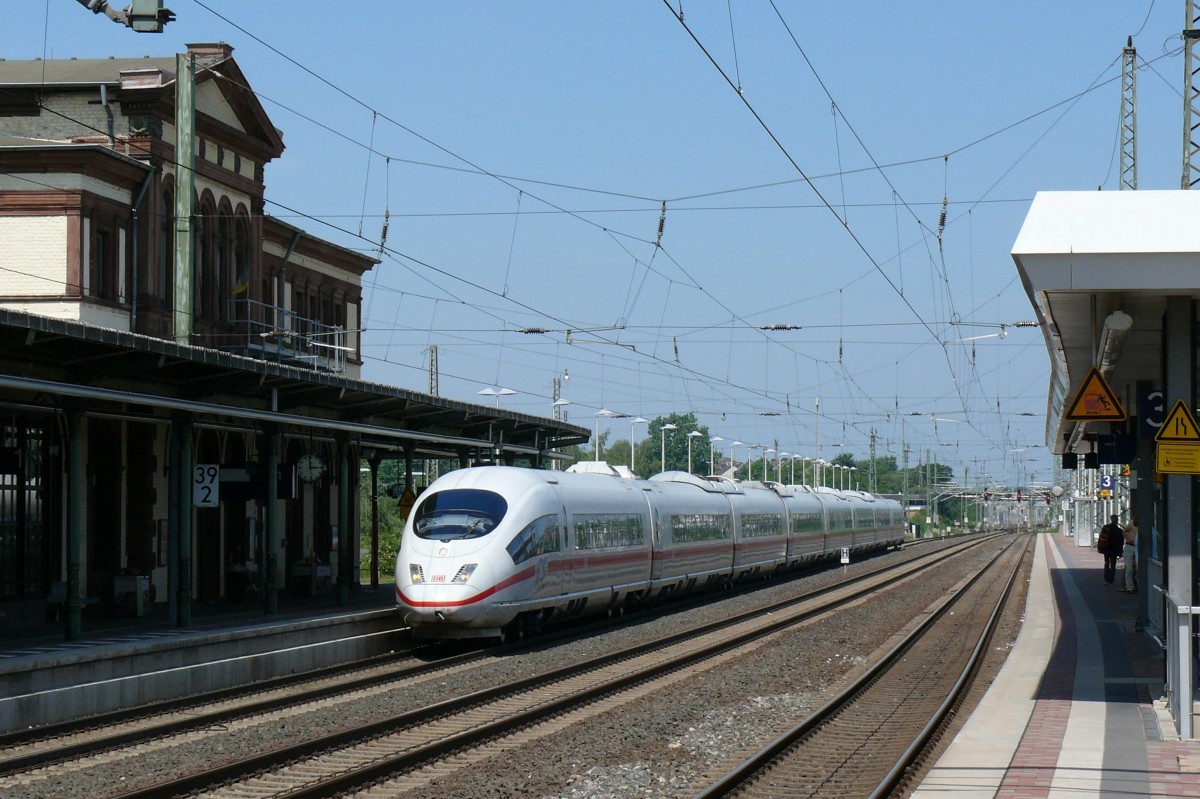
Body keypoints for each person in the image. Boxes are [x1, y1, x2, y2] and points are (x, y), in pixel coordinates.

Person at [1098, 514, 1124, 585]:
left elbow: (1101, 538)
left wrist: (1100, 548)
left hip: (1106, 548)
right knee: (1113, 564)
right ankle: (1111, 579)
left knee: (1106, 563)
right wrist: (1120, 552)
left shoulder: (1106, 528)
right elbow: (1121, 543)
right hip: (1114, 550)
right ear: (1117, 521)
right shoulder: (1119, 531)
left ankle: (1106, 578)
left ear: (1111, 519)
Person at [1122, 515, 1139, 593]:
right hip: (1130, 546)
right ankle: (1129, 586)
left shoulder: (1146, 523)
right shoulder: (1131, 523)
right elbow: (1124, 531)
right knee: (1129, 568)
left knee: (1138, 568)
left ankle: (1138, 585)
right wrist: (1128, 539)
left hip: (1139, 547)